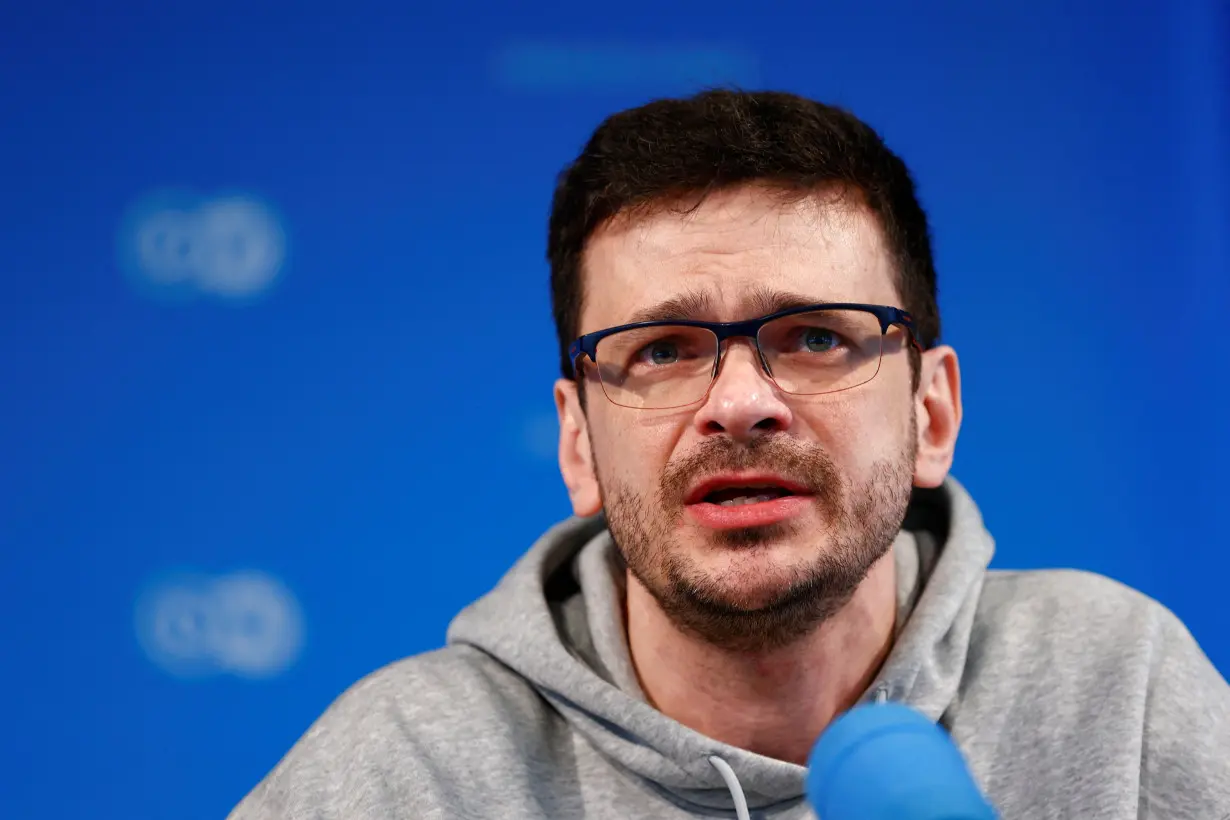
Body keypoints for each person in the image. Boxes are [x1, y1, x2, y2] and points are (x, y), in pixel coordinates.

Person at [228, 90, 1230, 820]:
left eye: (817, 338)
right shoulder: (403, 774)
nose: (740, 404)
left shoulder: (1116, 688)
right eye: (662, 350)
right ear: (577, 440)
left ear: (931, 414)